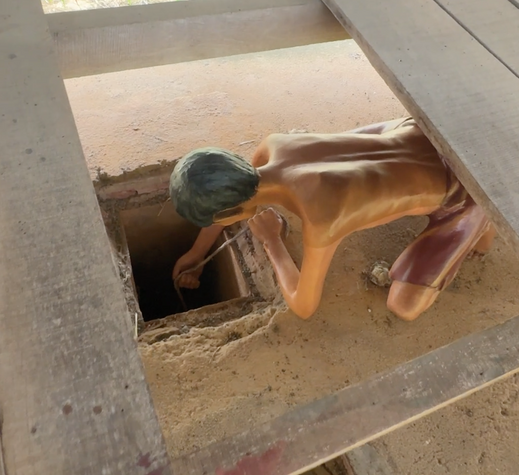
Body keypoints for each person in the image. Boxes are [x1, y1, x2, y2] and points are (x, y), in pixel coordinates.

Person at [170, 118, 495, 322]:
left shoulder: (321, 216)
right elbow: (232, 201)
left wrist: (272, 242)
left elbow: (303, 304)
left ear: (228, 214)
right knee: (356, 147)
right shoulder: (273, 145)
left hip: (465, 188)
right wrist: (197, 255)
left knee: (405, 306)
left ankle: (486, 219)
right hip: (420, 131)